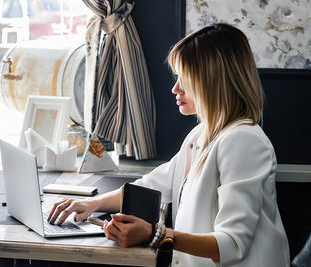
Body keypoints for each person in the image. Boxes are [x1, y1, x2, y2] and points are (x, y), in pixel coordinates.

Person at [48, 23, 290, 267]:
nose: (175, 88)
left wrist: (156, 234)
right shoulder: (201, 134)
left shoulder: (244, 141)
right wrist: (91, 204)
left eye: (185, 79)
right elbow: (151, 186)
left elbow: (233, 244)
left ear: (213, 82)